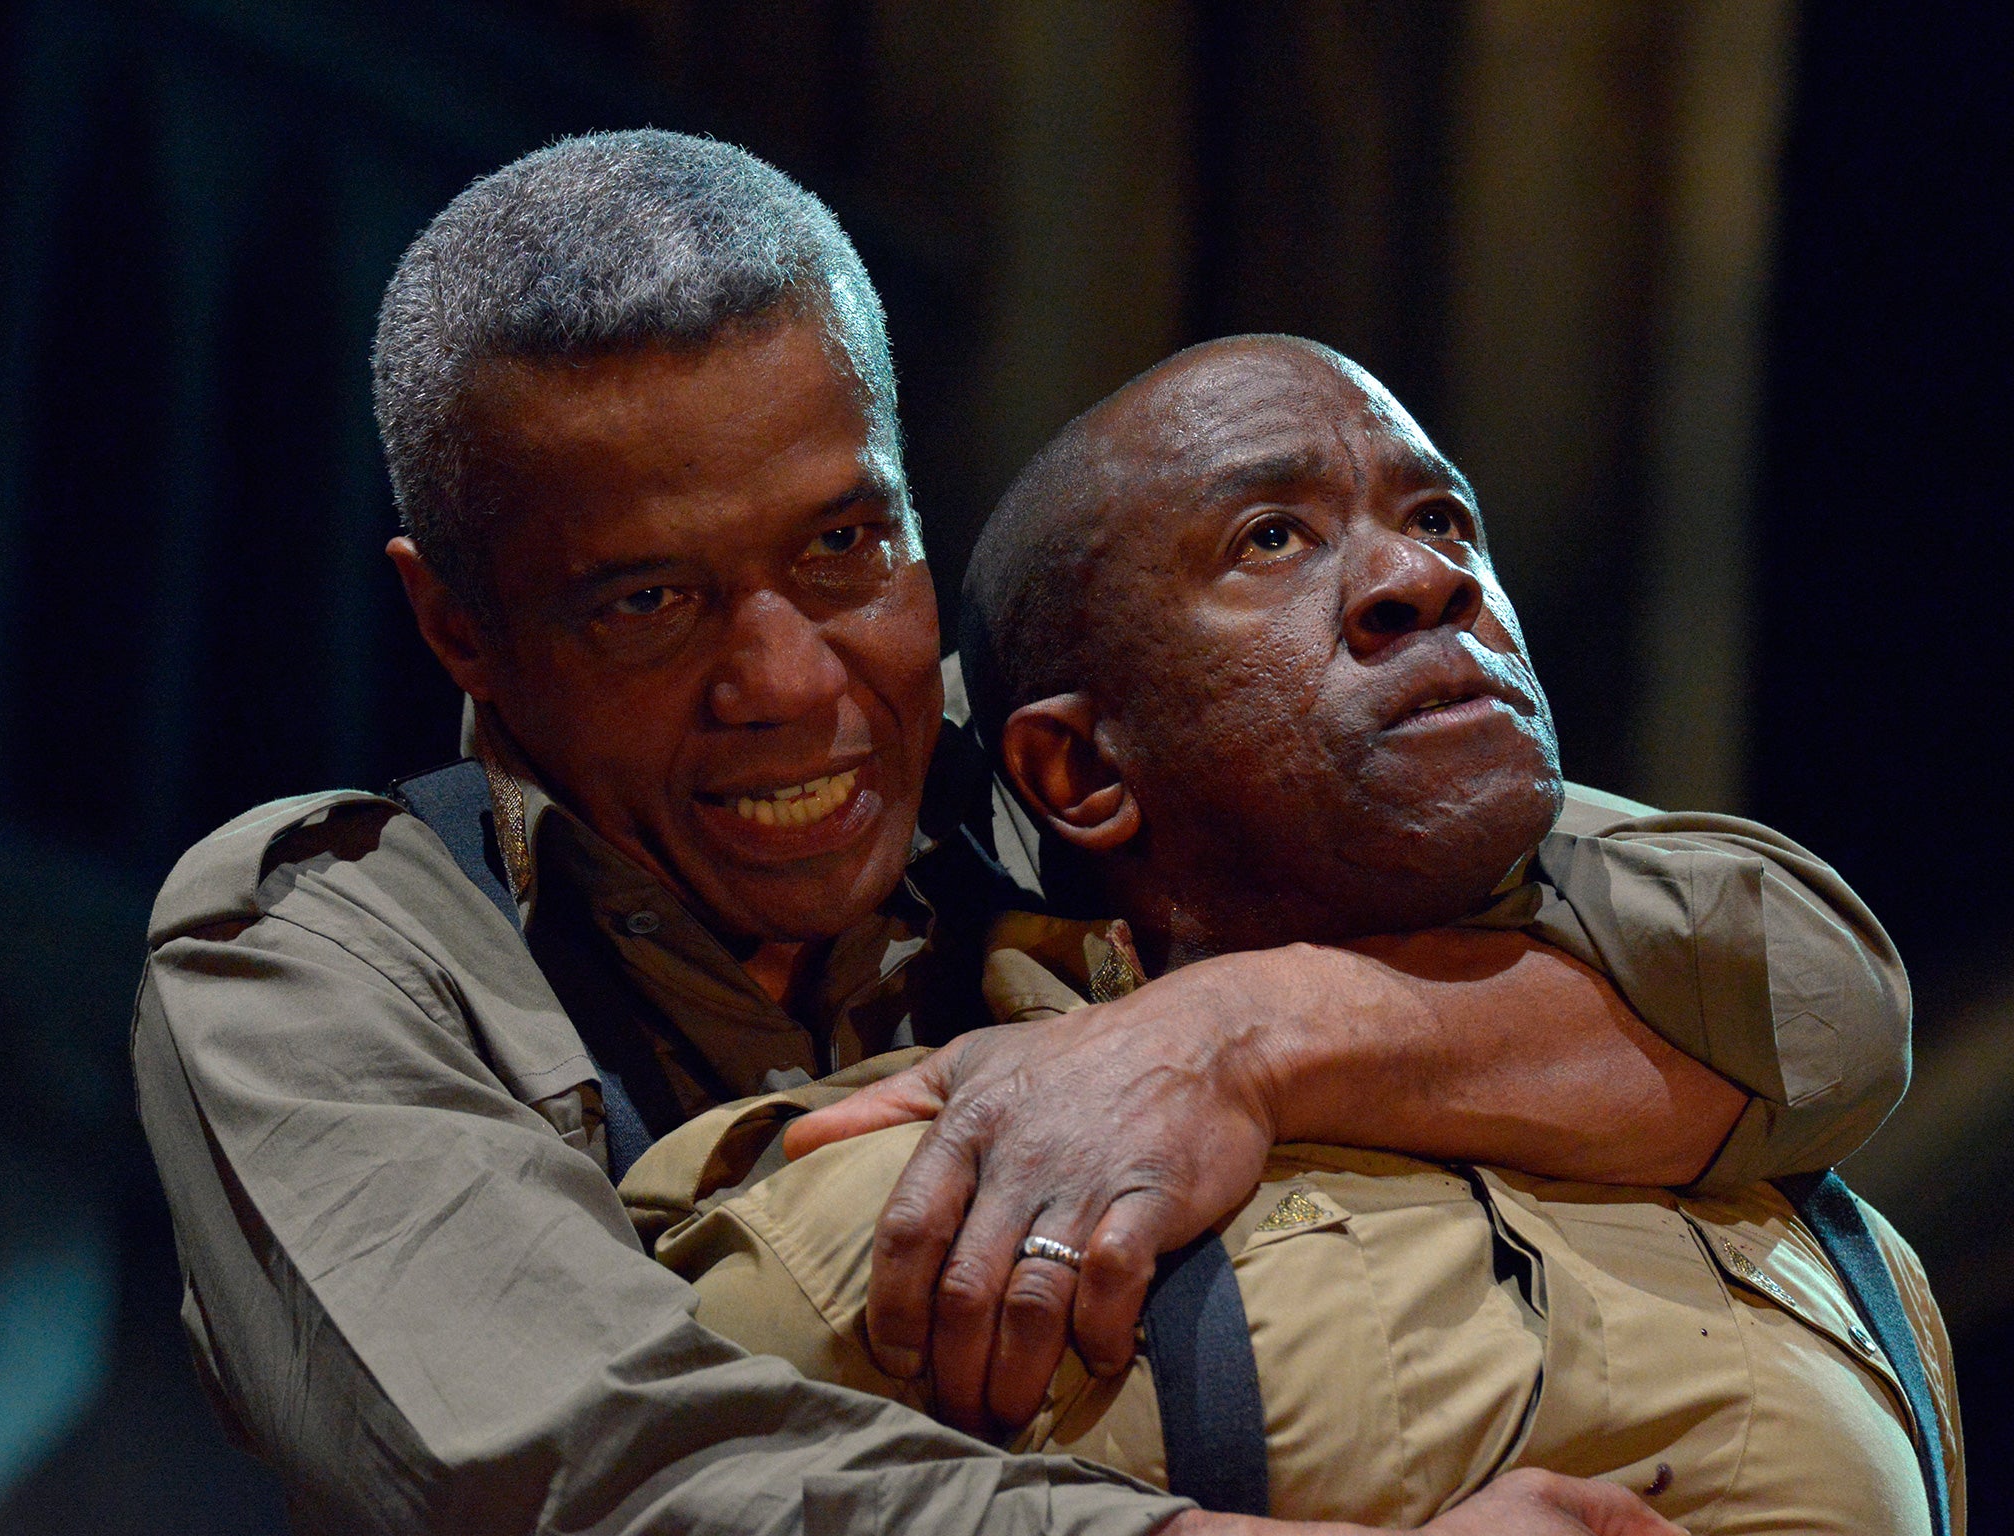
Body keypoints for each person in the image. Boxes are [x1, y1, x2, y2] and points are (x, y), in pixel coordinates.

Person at [131, 129, 1907, 1535]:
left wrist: (1243, 1038)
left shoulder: (1079, 763)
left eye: (844, 549)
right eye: (648, 603)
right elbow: (555, 1469)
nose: (791, 686)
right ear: (458, 630)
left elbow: (1800, 984)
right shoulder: (318, 943)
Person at [619, 335, 1964, 1533]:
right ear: (1082, 770)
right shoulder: (916, 1221)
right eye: (1271, 538)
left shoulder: (1776, 1169)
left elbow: (1818, 978)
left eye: (1443, 517)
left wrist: (1247, 1031)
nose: (1422, 578)